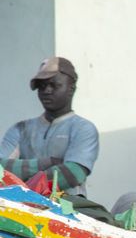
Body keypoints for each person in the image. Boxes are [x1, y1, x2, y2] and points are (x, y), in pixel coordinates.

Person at [0, 57, 99, 198]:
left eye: (54, 85)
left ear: (71, 88)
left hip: (68, 206)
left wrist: (23, 186)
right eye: (41, 86)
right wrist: (47, 163)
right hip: (21, 206)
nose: (46, 91)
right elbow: (1, 169)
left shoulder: (83, 129)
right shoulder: (20, 129)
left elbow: (73, 173)